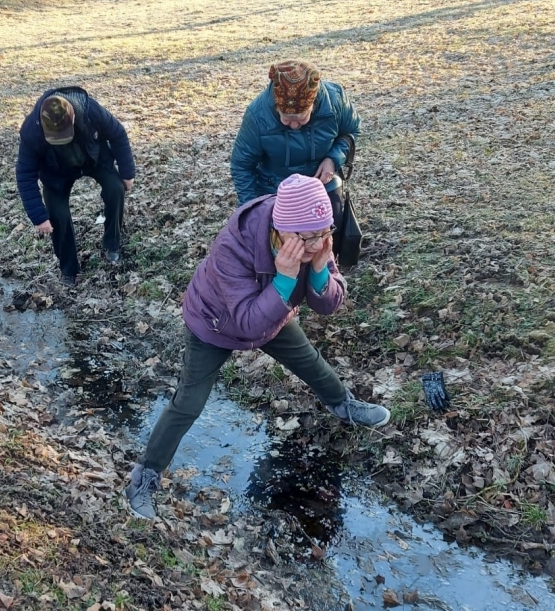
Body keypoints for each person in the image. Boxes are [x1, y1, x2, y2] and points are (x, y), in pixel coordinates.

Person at [125, 174, 390, 520]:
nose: (317, 244)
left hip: (273, 313)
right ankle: (145, 477)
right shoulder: (233, 246)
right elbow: (248, 322)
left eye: (325, 233)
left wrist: (322, 271)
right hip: (215, 323)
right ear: (282, 231)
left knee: (309, 360)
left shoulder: (315, 235)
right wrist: (284, 278)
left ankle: (343, 405)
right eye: (309, 238)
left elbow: (327, 305)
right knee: (188, 403)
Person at [16, 85, 137, 281]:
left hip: (93, 158)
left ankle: (112, 243)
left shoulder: (91, 111)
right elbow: (24, 174)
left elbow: (118, 134)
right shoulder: (32, 130)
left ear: (72, 118)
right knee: (57, 215)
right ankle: (69, 270)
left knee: (116, 189)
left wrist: (127, 172)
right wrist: (38, 216)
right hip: (56, 172)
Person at [230, 60, 359, 233]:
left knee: (330, 230)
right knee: (286, 244)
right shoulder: (257, 115)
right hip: (275, 188)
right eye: (286, 119)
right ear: (276, 107)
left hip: (321, 184)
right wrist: (252, 210)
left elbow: (351, 131)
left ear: (313, 105)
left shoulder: (334, 100)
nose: (294, 125)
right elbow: (242, 165)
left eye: (301, 118)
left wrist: (333, 159)